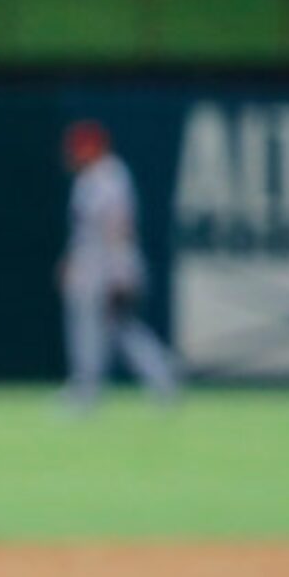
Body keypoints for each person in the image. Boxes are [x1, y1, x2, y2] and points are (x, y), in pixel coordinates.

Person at [57, 118, 181, 410]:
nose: (75, 155)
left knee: (117, 330)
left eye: (81, 149)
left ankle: (159, 378)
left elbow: (118, 227)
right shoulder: (87, 179)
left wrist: (120, 273)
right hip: (90, 266)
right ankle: (89, 390)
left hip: (108, 267)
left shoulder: (110, 176)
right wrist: (71, 261)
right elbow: (84, 232)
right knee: (105, 332)